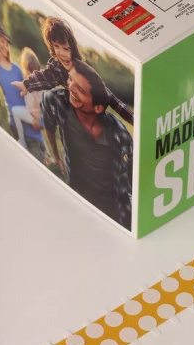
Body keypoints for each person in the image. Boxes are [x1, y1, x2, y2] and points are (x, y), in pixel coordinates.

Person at [41, 60, 133, 229]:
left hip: (114, 212)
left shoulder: (120, 135)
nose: (71, 88)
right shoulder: (56, 101)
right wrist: (56, 156)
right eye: (71, 79)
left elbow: (133, 179)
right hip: (79, 201)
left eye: (81, 90)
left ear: (98, 108)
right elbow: (48, 122)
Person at [14, 15, 135, 126]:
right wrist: (27, 84)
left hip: (94, 113)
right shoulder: (57, 68)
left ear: (73, 49)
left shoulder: (83, 70)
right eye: (56, 46)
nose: (61, 53)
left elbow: (110, 97)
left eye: (66, 48)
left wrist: (133, 119)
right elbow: (45, 77)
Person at [0, 14, 40, 150]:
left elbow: (28, 90)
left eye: (6, 43)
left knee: (35, 147)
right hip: (15, 121)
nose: (4, 46)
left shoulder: (16, 68)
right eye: (1, 42)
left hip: (28, 116)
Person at [17, 47, 49, 164]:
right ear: (24, 70)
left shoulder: (39, 89)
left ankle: (46, 152)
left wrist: (41, 122)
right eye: (29, 71)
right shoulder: (22, 86)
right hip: (28, 135)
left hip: (36, 137)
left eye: (36, 71)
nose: (32, 75)